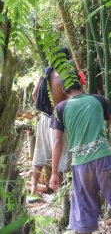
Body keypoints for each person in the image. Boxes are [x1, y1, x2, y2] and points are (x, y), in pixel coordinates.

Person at [49, 70, 111, 234]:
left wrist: (54, 172)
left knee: (84, 208)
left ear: (64, 89)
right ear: (82, 83)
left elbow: (57, 141)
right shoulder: (98, 100)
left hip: (81, 166)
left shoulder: (60, 109)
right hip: (105, 159)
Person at [31, 49, 70, 195]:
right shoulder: (65, 75)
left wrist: (43, 110)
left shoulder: (45, 72)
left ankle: (34, 186)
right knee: (60, 153)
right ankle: (59, 192)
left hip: (44, 117)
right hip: (59, 119)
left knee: (39, 153)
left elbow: (34, 94)